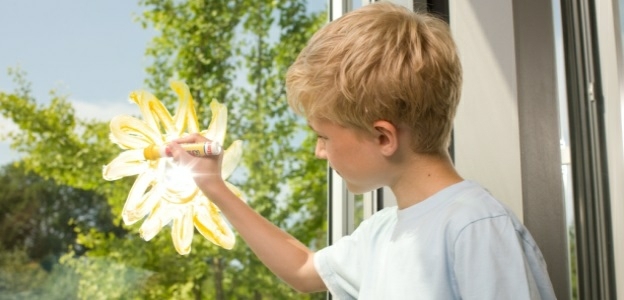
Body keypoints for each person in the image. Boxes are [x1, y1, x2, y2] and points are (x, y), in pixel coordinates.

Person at [169, 1, 557, 299]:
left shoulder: (476, 227)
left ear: (383, 138)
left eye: (323, 136)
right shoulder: (381, 231)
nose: (320, 152)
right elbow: (305, 269)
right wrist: (213, 185)